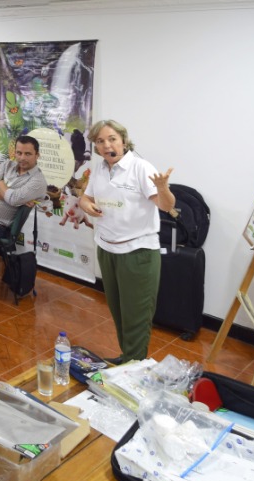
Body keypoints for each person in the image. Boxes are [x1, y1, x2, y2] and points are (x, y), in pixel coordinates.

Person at [75, 120, 175, 363]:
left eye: (112, 139)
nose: (107, 145)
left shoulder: (140, 167)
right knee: (119, 311)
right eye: (100, 141)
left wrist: (163, 188)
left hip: (137, 252)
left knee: (136, 316)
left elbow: (167, 206)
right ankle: (128, 358)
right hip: (107, 248)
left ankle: (135, 364)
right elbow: (84, 198)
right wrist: (88, 205)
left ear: (123, 140)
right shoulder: (99, 168)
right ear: (96, 146)